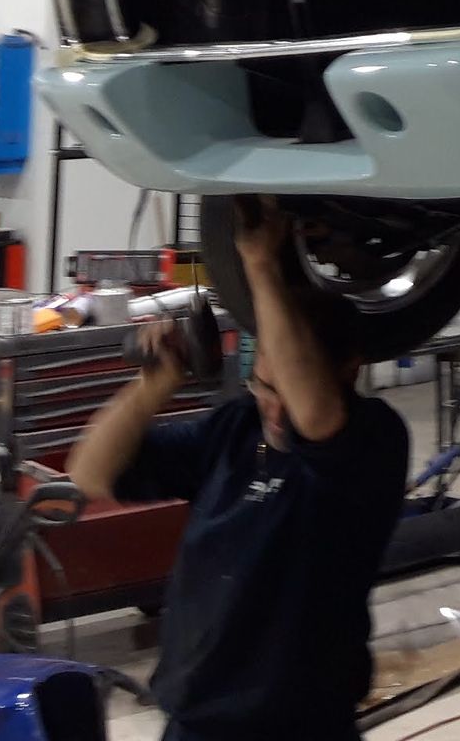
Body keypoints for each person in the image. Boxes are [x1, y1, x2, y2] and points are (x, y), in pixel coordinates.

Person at [70, 199, 409, 741]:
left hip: (300, 724)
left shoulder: (372, 441)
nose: (272, 405)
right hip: (194, 720)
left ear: (350, 370)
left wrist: (260, 264)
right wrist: (153, 386)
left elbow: (316, 416)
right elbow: (91, 474)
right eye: (262, 384)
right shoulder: (234, 427)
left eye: (286, 388)